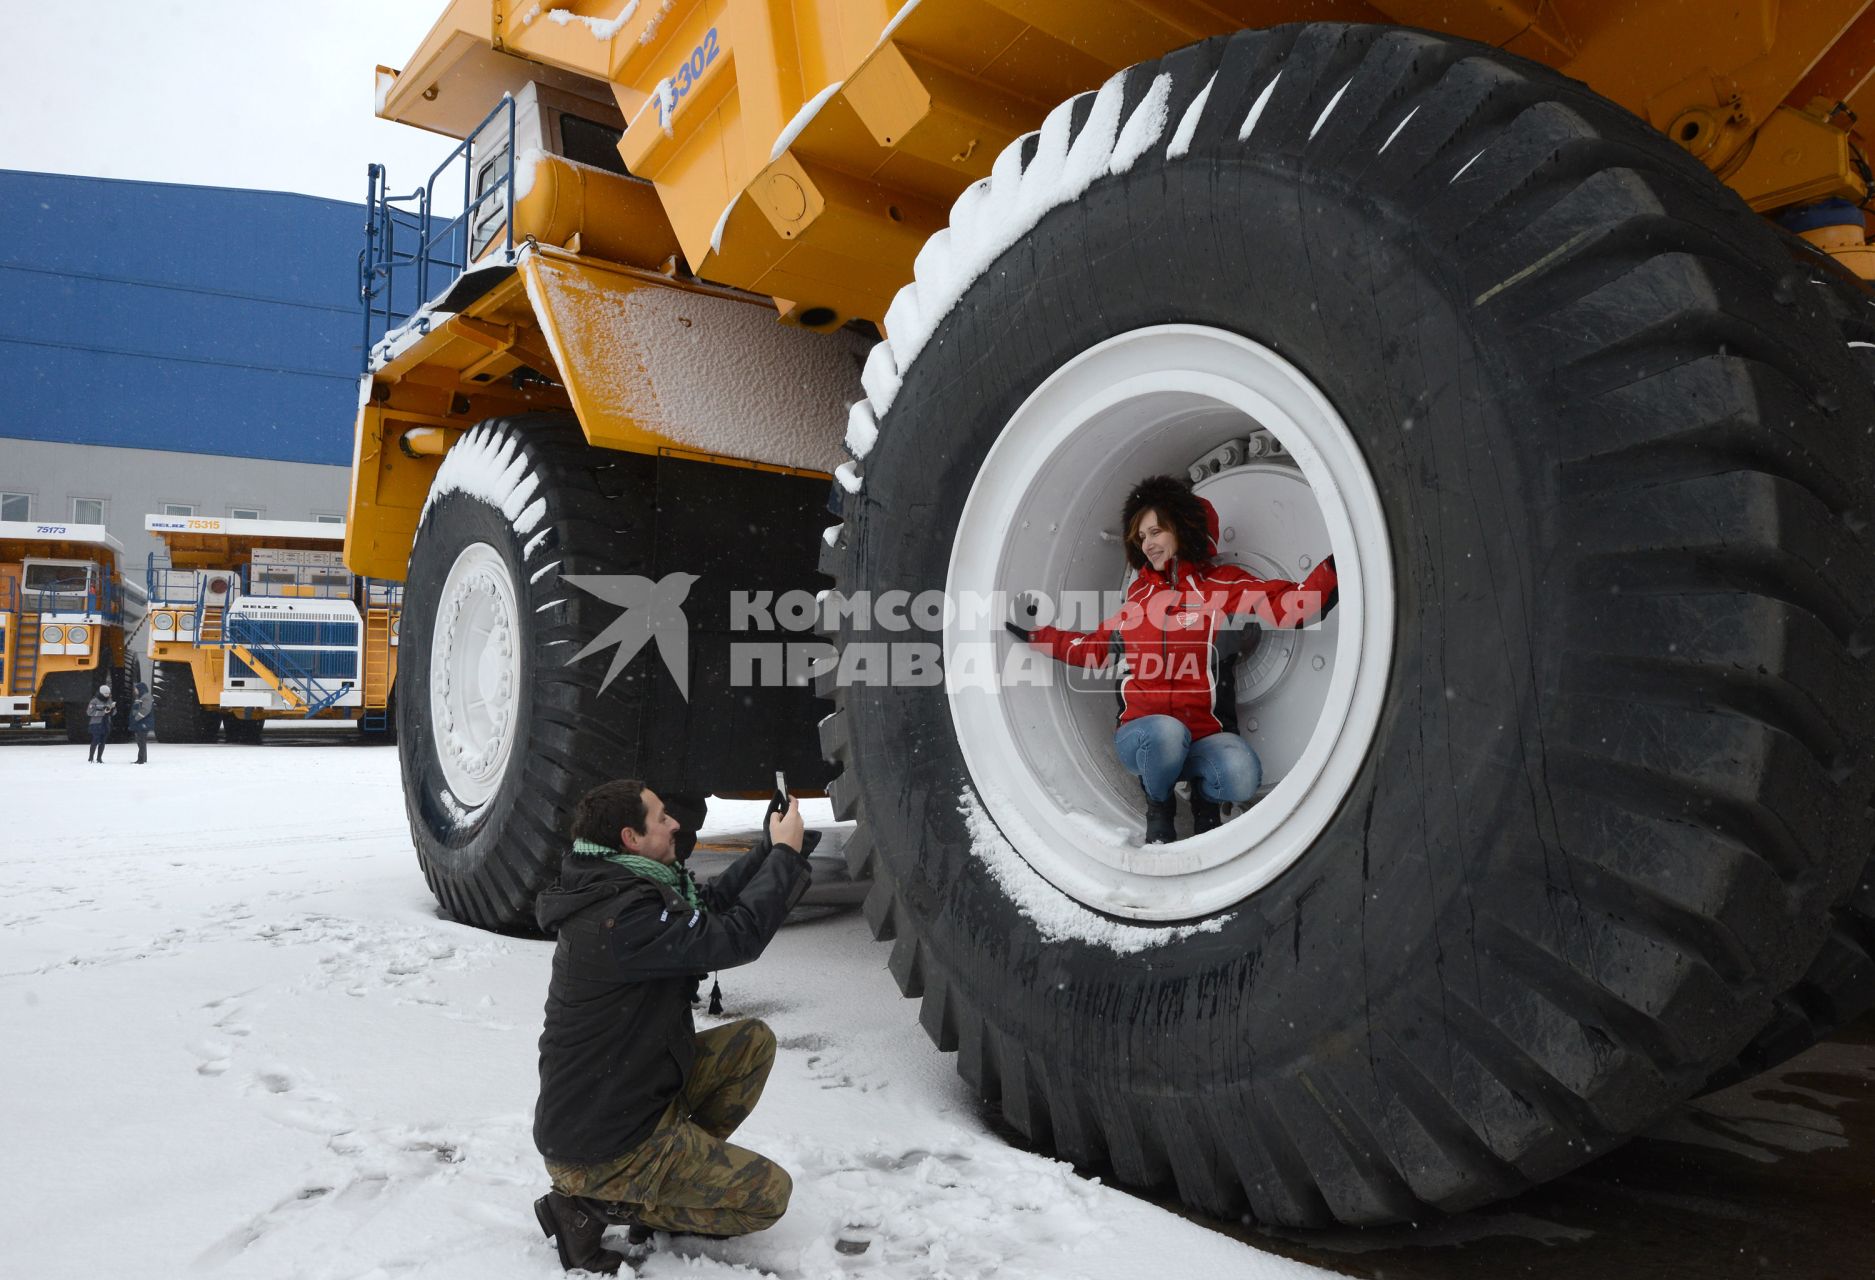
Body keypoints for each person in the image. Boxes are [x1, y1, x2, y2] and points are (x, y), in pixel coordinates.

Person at [532, 779, 815, 1274]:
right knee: (768, 1197)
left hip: (624, 1103)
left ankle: (664, 1174)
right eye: (661, 818)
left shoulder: (619, 885)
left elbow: (707, 910)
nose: (675, 823)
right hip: (602, 1145)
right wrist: (786, 859)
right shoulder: (622, 918)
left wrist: (769, 849)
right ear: (630, 838)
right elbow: (735, 938)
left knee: (750, 1043)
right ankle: (593, 1205)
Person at [1008, 474, 1337, 844]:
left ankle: (1205, 803)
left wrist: (1337, 566)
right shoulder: (1138, 599)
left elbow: (1290, 607)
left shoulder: (1220, 587)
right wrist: (1039, 636)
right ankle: (1159, 803)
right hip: (1143, 736)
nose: (1148, 544)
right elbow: (1093, 649)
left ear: (1182, 528)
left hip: (1203, 734)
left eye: (1156, 532)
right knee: (1166, 732)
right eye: (1142, 536)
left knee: (1241, 771)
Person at [84, 682, 115, 763]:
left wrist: (112, 710)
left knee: (103, 741)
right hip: (96, 724)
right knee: (95, 740)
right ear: (101, 693)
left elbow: (114, 713)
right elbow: (89, 712)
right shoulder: (94, 701)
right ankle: (91, 757)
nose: (107, 695)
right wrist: (103, 712)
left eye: (108, 693)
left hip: (106, 723)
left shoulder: (109, 700)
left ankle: (99, 758)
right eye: (106, 693)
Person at [130, 681, 154, 764]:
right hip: (141, 722)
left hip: (143, 722)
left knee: (141, 741)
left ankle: (141, 760)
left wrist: (136, 718)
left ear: (140, 689)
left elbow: (145, 710)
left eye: (136, 689)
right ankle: (143, 758)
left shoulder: (146, 697)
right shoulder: (140, 697)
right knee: (140, 741)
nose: (135, 691)